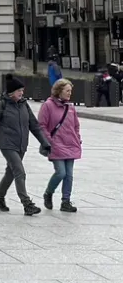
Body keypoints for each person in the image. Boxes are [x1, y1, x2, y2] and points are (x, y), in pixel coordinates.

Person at [0, 74, 51, 215]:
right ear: (11, 93)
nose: (21, 93)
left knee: (10, 173)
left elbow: (34, 126)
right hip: (7, 145)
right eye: (18, 91)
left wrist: (45, 143)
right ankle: (27, 203)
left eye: (22, 90)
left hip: (22, 145)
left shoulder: (24, 105)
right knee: (19, 172)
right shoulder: (1, 106)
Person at [38, 79, 81, 213]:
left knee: (69, 175)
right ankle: (48, 193)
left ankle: (65, 201)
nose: (70, 93)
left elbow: (76, 125)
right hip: (56, 145)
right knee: (60, 173)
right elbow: (42, 125)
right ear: (59, 91)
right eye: (67, 91)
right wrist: (50, 141)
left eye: (70, 91)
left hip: (71, 144)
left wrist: (78, 138)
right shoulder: (48, 105)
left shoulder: (70, 107)